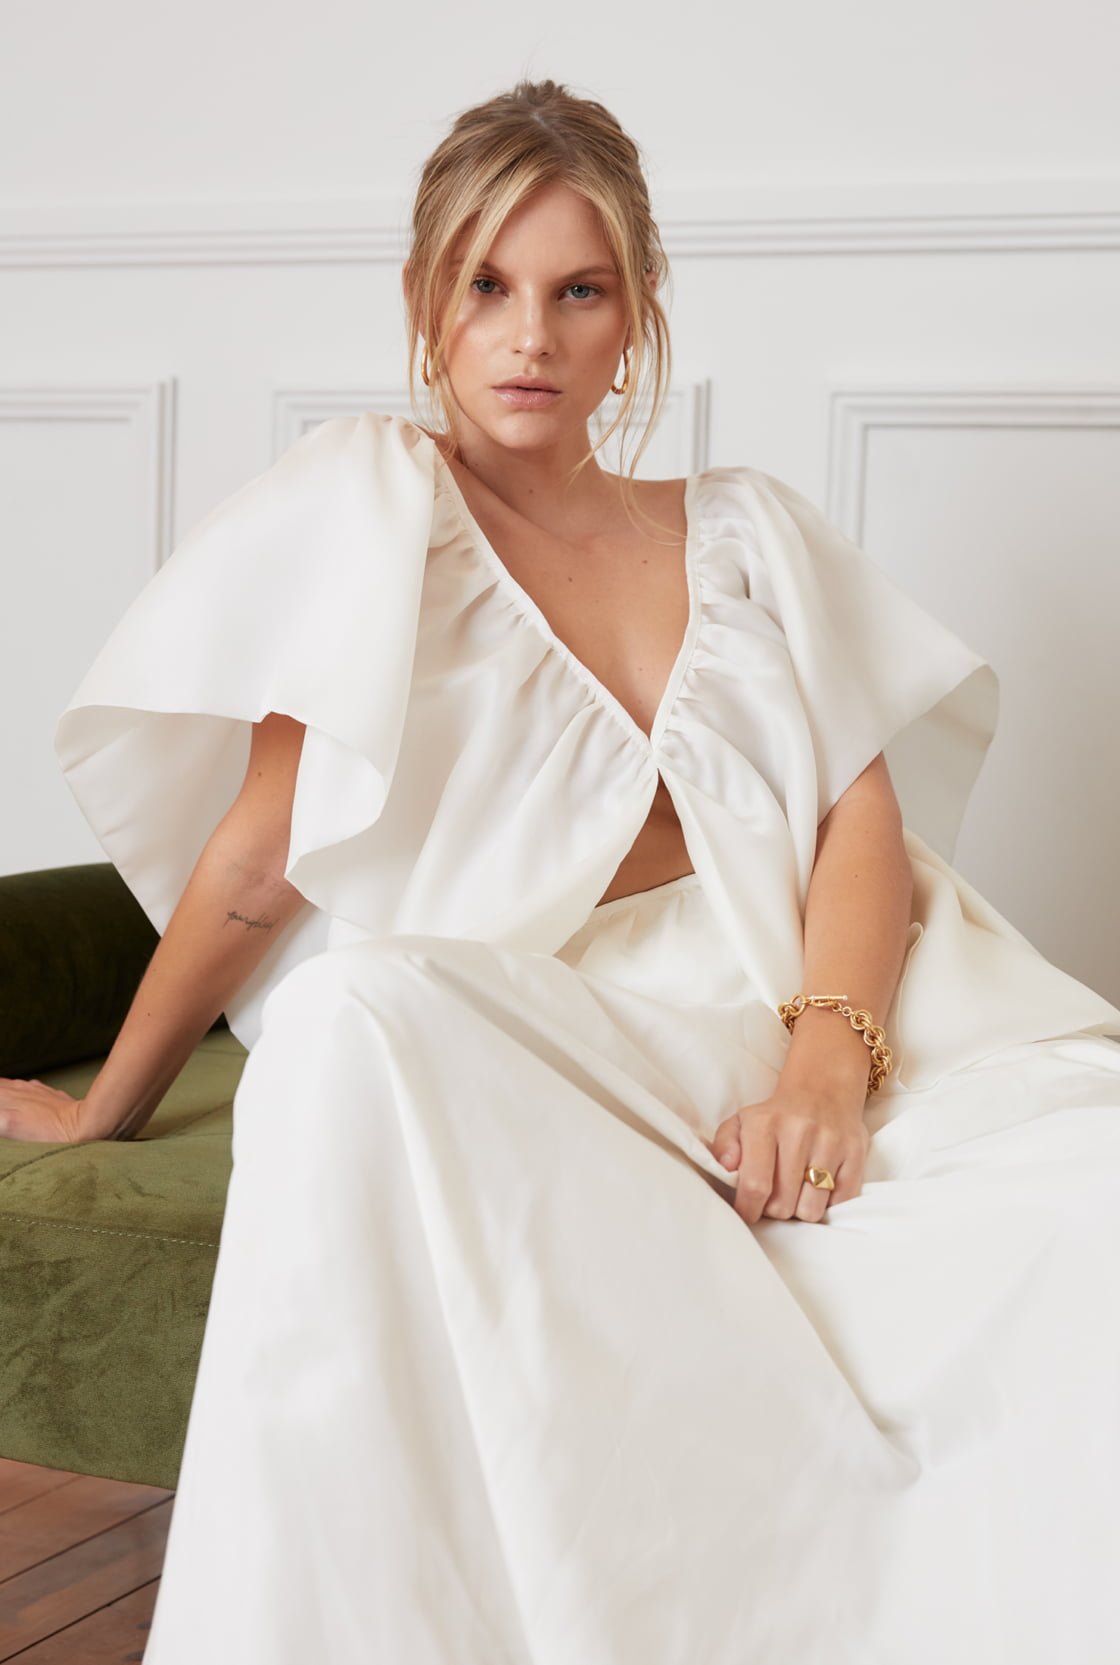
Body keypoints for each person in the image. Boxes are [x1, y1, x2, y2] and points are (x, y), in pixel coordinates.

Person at [4, 77, 1120, 1664]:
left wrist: (825, 1067)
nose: (528, 335)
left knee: (1085, 1204)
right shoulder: (372, 508)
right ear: (426, 298)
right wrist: (106, 1105)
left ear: (636, 312)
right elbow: (262, 853)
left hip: (823, 1006)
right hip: (564, 1031)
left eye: (577, 291)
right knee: (346, 1020)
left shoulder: (749, 531)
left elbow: (856, 823)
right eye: (488, 284)